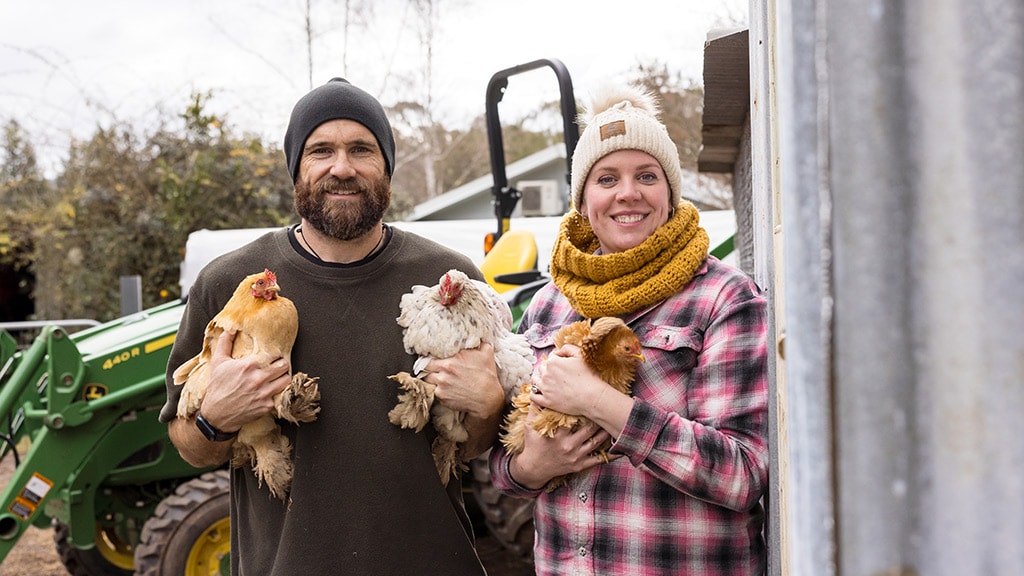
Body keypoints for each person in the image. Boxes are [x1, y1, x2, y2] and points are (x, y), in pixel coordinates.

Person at [159, 78, 506, 575]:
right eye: (321, 149)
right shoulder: (229, 282)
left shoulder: (450, 280)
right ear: (296, 168)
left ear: (385, 165)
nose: (341, 168)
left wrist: (489, 406)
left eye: (361, 149)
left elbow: (472, 446)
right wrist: (217, 415)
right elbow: (190, 447)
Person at [488, 83, 769, 575]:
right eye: (606, 178)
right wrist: (532, 467)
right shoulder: (549, 305)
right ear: (583, 199)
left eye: (647, 175)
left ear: (670, 191)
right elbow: (503, 461)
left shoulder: (725, 297)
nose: (628, 193)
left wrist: (600, 404)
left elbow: (742, 475)